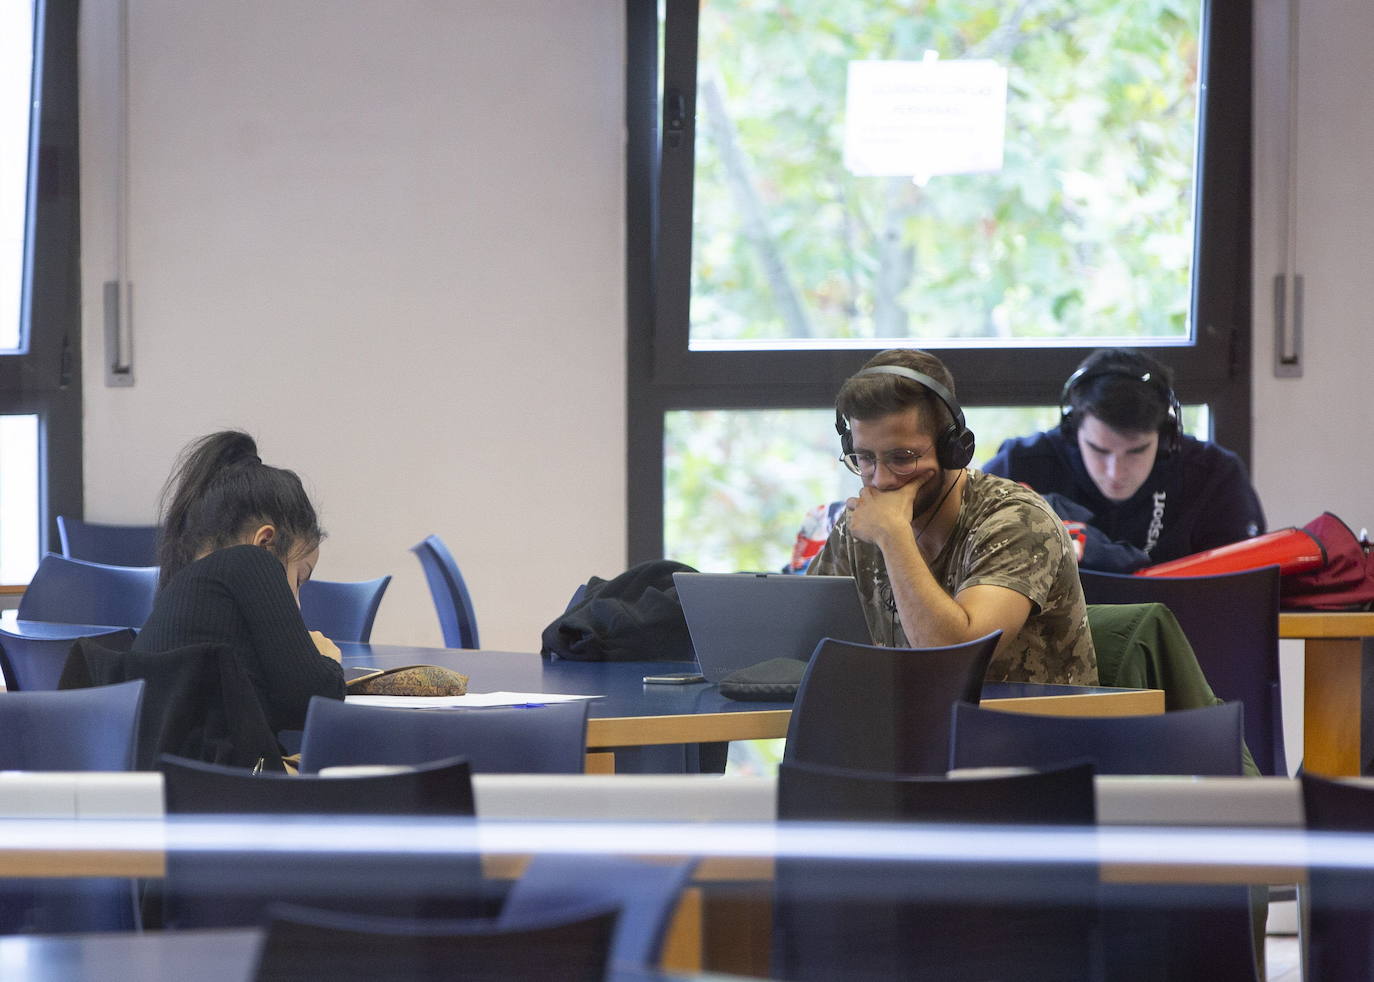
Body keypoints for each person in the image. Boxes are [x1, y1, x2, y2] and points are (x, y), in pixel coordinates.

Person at [809, 349, 1097, 685]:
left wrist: (894, 537)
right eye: (864, 458)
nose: (881, 479)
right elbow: (798, 642)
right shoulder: (861, 524)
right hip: (908, 728)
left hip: (1024, 731)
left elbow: (955, 657)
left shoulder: (1019, 521)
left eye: (902, 457)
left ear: (953, 448)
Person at [134, 430, 346, 735]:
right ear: (265, 542)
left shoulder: (187, 589)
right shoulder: (251, 560)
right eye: (298, 579)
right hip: (219, 781)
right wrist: (326, 660)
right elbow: (311, 700)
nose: (296, 601)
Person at [982, 348, 1266, 573]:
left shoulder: (1214, 475)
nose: (1115, 472)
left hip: (1184, 638)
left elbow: (1245, 587)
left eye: (1137, 451)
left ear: (1166, 436)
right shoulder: (1018, 466)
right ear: (1072, 430)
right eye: (1099, 450)